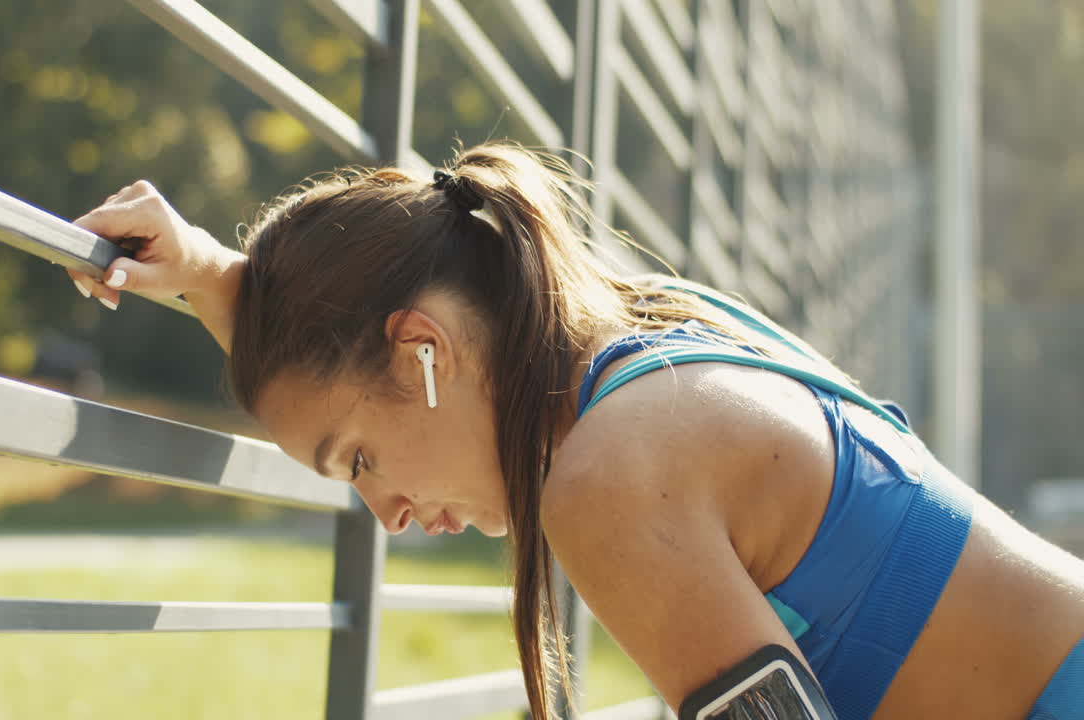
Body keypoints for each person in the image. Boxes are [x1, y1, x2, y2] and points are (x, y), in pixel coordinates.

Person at [64, 143, 1083, 720]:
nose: (387, 513)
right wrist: (210, 270)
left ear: (424, 351)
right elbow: (375, 313)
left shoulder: (607, 481)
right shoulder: (661, 332)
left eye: (359, 461)